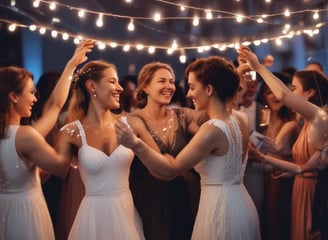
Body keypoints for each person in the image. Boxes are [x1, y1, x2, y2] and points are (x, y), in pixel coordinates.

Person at [115, 56, 261, 240]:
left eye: (192, 87)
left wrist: (136, 144)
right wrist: (233, 75)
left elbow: (170, 170)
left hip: (219, 208)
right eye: (162, 81)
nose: (188, 94)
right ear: (145, 87)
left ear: (209, 89)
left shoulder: (210, 130)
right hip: (239, 202)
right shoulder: (238, 120)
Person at [0, 39, 94, 240]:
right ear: (13, 97)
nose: (35, 99)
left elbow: (54, 106)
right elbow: (60, 167)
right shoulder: (25, 136)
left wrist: (71, 65)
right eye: (30, 93)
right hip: (24, 213)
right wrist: (73, 138)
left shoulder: (19, 134)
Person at [238, 46, 328, 240]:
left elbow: (283, 96)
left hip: (314, 195)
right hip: (300, 187)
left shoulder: (320, 117)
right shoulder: (308, 121)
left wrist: (259, 67)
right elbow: (301, 167)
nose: (290, 93)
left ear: (310, 93)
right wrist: (263, 157)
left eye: (294, 88)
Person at [54, 60, 144, 240]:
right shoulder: (71, 133)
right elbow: (54, 168)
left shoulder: (130, 123)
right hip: (92, 217)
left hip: (126, 211)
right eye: (112, 81)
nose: (120, 88)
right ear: (92, 86)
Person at [126, 61, 206, 240]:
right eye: (162, 81)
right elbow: (159, 160)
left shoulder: (183, 115)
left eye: (171, 81)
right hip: (148, 201)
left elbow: (216, 110)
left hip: (186, 197)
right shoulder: (133, 120)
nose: (169, 86)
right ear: (145, 86)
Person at [256, 75, 298, 240]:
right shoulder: (261, 119)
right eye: (268, 92)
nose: (274, 96)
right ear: (263, 96)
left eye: (277, 92)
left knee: (278, 217)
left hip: (281, 175)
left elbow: (278, 144)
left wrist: (277, 144)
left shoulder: (291, 123)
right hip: (261, 175)